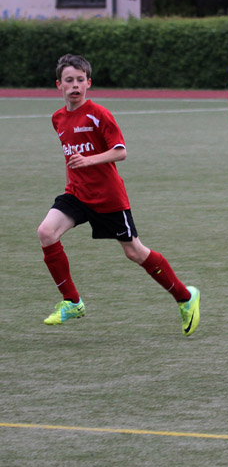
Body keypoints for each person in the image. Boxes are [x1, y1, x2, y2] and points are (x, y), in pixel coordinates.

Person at [38, 54, 200, 335]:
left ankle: (185, 297)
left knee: (134, 252)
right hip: (76, 194)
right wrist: (70, 183)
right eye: (69, 80)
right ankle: (72, 301)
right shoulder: (58, 118)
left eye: (80, 80)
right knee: (46, 232)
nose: (75, 85)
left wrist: (89, 161)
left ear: (88, 83)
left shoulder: (98, 114)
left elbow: (120, 152)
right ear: (58, 85)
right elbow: (70, 157)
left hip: (108, 198)